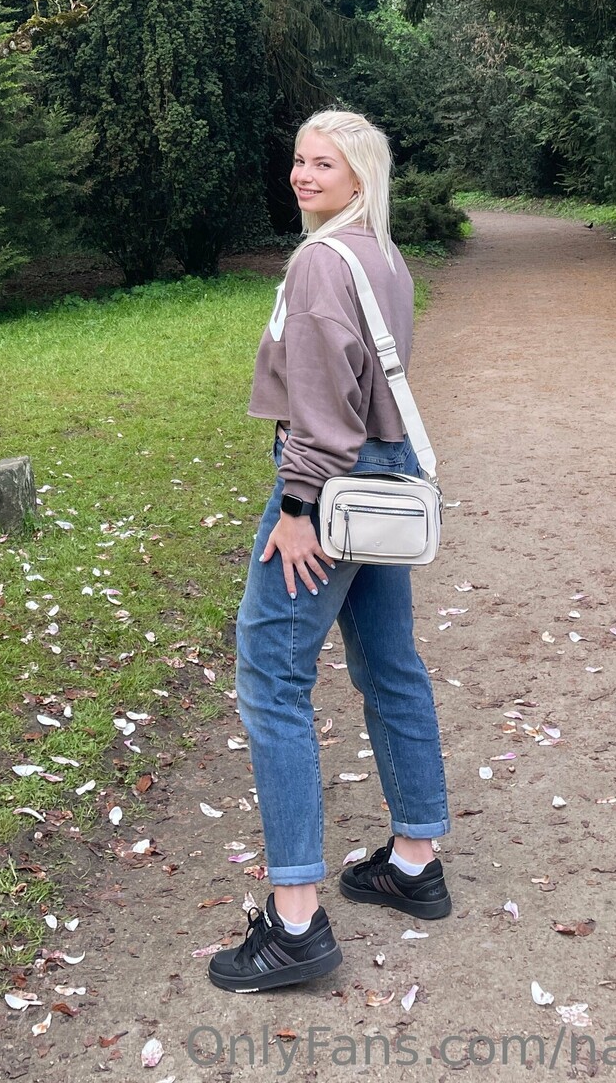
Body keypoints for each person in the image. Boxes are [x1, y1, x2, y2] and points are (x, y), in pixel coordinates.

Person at [208, 109, 451, 995]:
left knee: (271, 675)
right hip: (384, 478)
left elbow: (320, 402)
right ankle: (415, 861)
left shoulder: (320, 262)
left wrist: (297, 505)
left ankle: (295, 922)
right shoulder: (381, 254)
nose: (304, 175)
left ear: (359, 176)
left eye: (325, 164)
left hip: (331, 487)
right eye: (299, 159)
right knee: (389, 663)